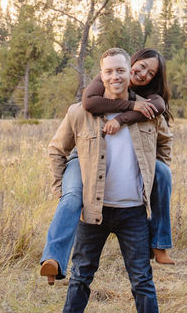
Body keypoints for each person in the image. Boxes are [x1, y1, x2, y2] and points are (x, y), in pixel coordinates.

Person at [44, 48, 171, 313]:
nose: (116, 77)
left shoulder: (147, 113)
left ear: (131, 74)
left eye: (121, 71)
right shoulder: (79, 113)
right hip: (93, 213)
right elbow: (57, 150)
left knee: (142, 282)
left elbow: (164, 148)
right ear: (101, 75)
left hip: (132, 214)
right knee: (80, 280)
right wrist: (64, 193)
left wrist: (156, 178)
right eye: (109, 71)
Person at [39, 48, 174, 284]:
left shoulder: (148, 100)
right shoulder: (107, 79)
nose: (142, 74)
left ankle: (160, 244)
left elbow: (160, 118)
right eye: (141, 66)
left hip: (128, 198)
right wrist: (130, 109)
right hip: (83, 159)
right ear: (132, 60)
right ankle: (53, 261)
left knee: (162, 171)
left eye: (150, 73)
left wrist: (124, 117)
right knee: (71, 197)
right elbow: (89, 103)